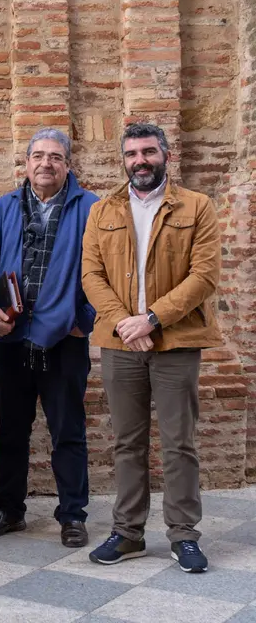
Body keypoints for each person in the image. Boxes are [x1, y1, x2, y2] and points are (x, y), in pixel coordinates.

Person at [82, 123, 222, 573]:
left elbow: (204, 277)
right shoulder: (102, 210)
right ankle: (128, 533)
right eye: (131, 154)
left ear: (165, 155)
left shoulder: (197, 207)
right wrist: (126, 323)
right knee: (127, 441)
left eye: (148, 152)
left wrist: (153, 319)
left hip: (176, 340)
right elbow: (91, 276)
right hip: (121, 342)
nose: (139, 161)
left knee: (180, 443)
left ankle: (183, 535)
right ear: (122, 160)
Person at [0, 128, 98, 548]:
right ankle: (9, 509)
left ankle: (73, 515)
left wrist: (86, 319)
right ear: (25, 163)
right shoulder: (4, 208)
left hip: (65, 341)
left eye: (55, 157)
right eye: (38, 155)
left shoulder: (91, 209)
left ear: (68, 165)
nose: (46, 163)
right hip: (11, 339)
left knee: (68, 431)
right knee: (11, 430)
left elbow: (107, 273)